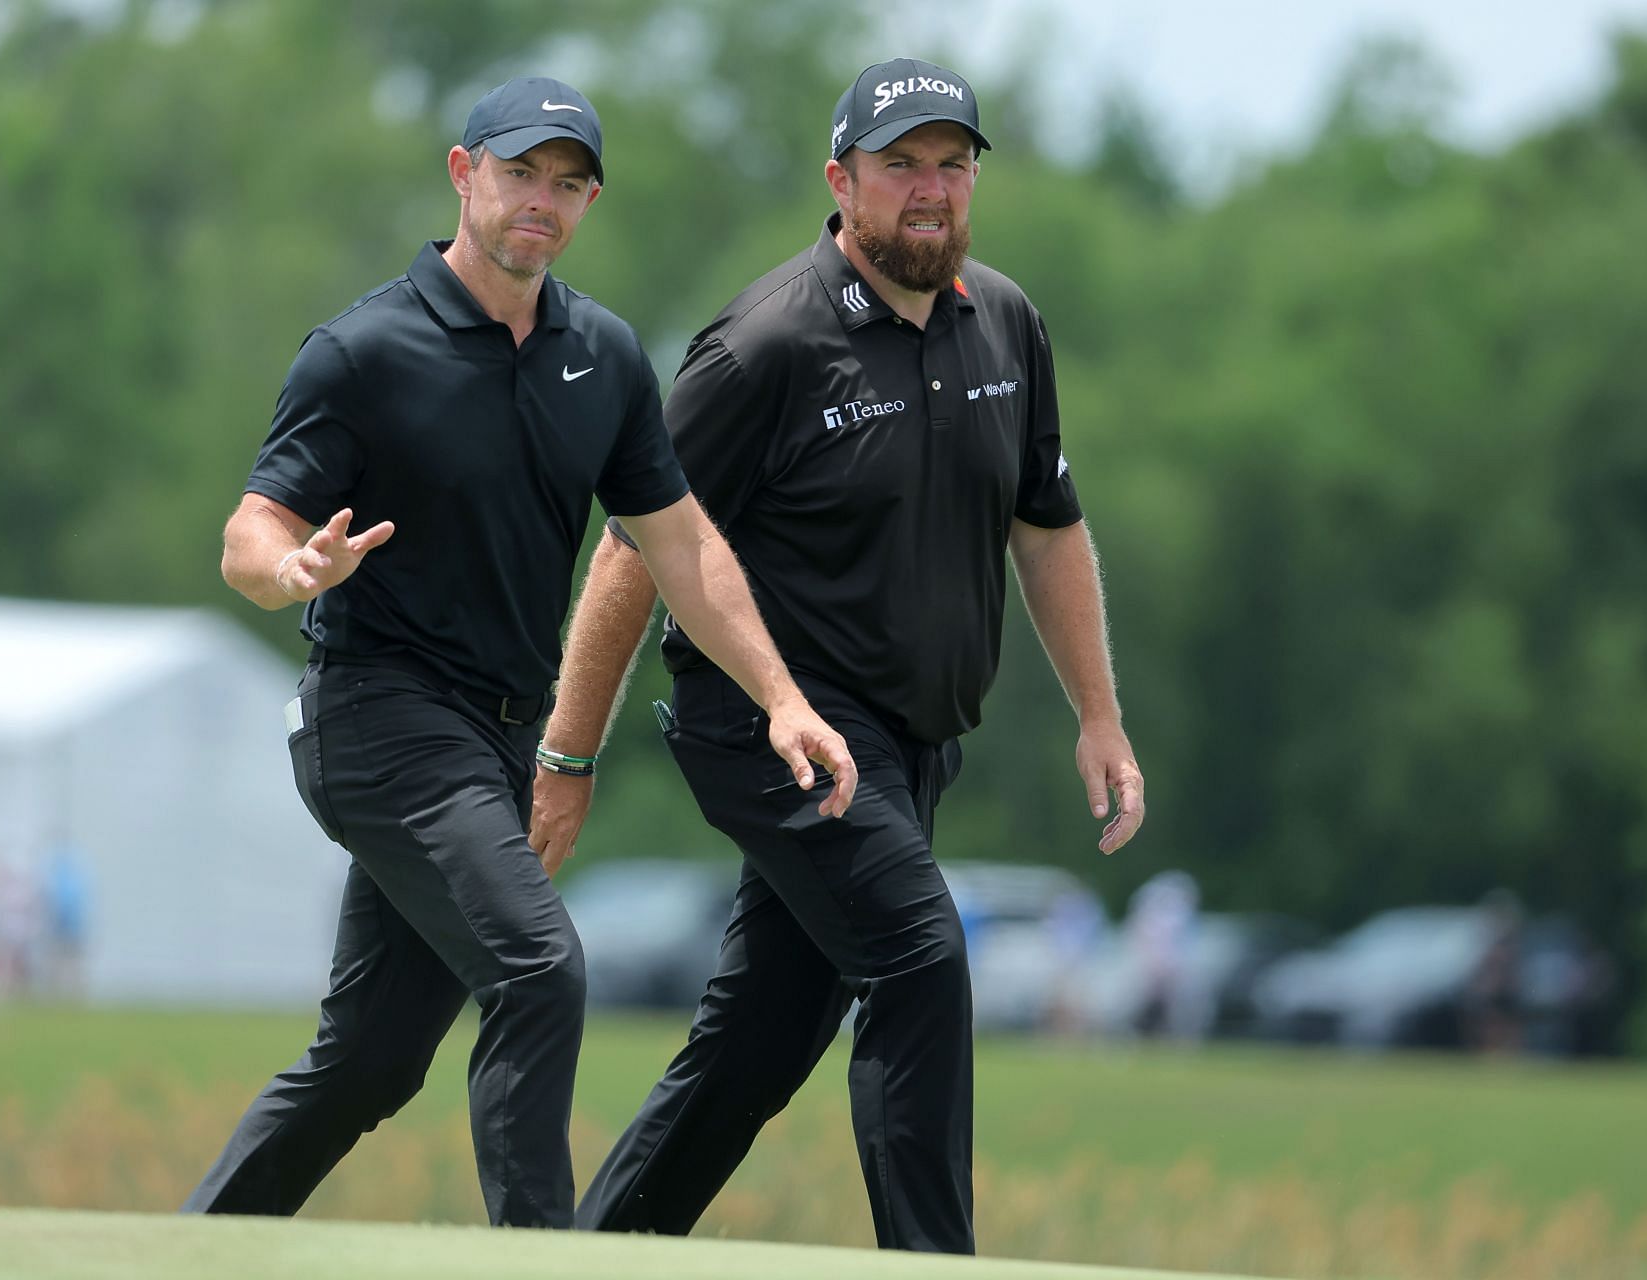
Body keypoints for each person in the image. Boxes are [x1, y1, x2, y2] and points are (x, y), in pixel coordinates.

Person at [185, 75, 855, 1230]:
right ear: (463, 173)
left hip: (495, 738)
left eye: (568, 182)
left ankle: (185, 1250)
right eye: (518, 173)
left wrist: (781, 697)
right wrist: (289, 569)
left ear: (589, 201)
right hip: (375, 716)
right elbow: (253, 526)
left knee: (375, 1057)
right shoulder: (362, 350)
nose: (540, 200)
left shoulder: (600, 354)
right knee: (542, 969)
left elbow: (683, 547)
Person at [529, 58, 1146, 1252]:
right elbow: (631, 555)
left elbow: (1048, 522)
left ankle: (590, 1253)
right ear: (842, 181)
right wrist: (568, 751)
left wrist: (1100, 713)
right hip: (772, 727)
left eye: (952, 164)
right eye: (901, 165)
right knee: (921, 957)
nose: (930, 190)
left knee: (759, 1041)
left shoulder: (1006, 321)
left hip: (911, 749)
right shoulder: (766, 344)